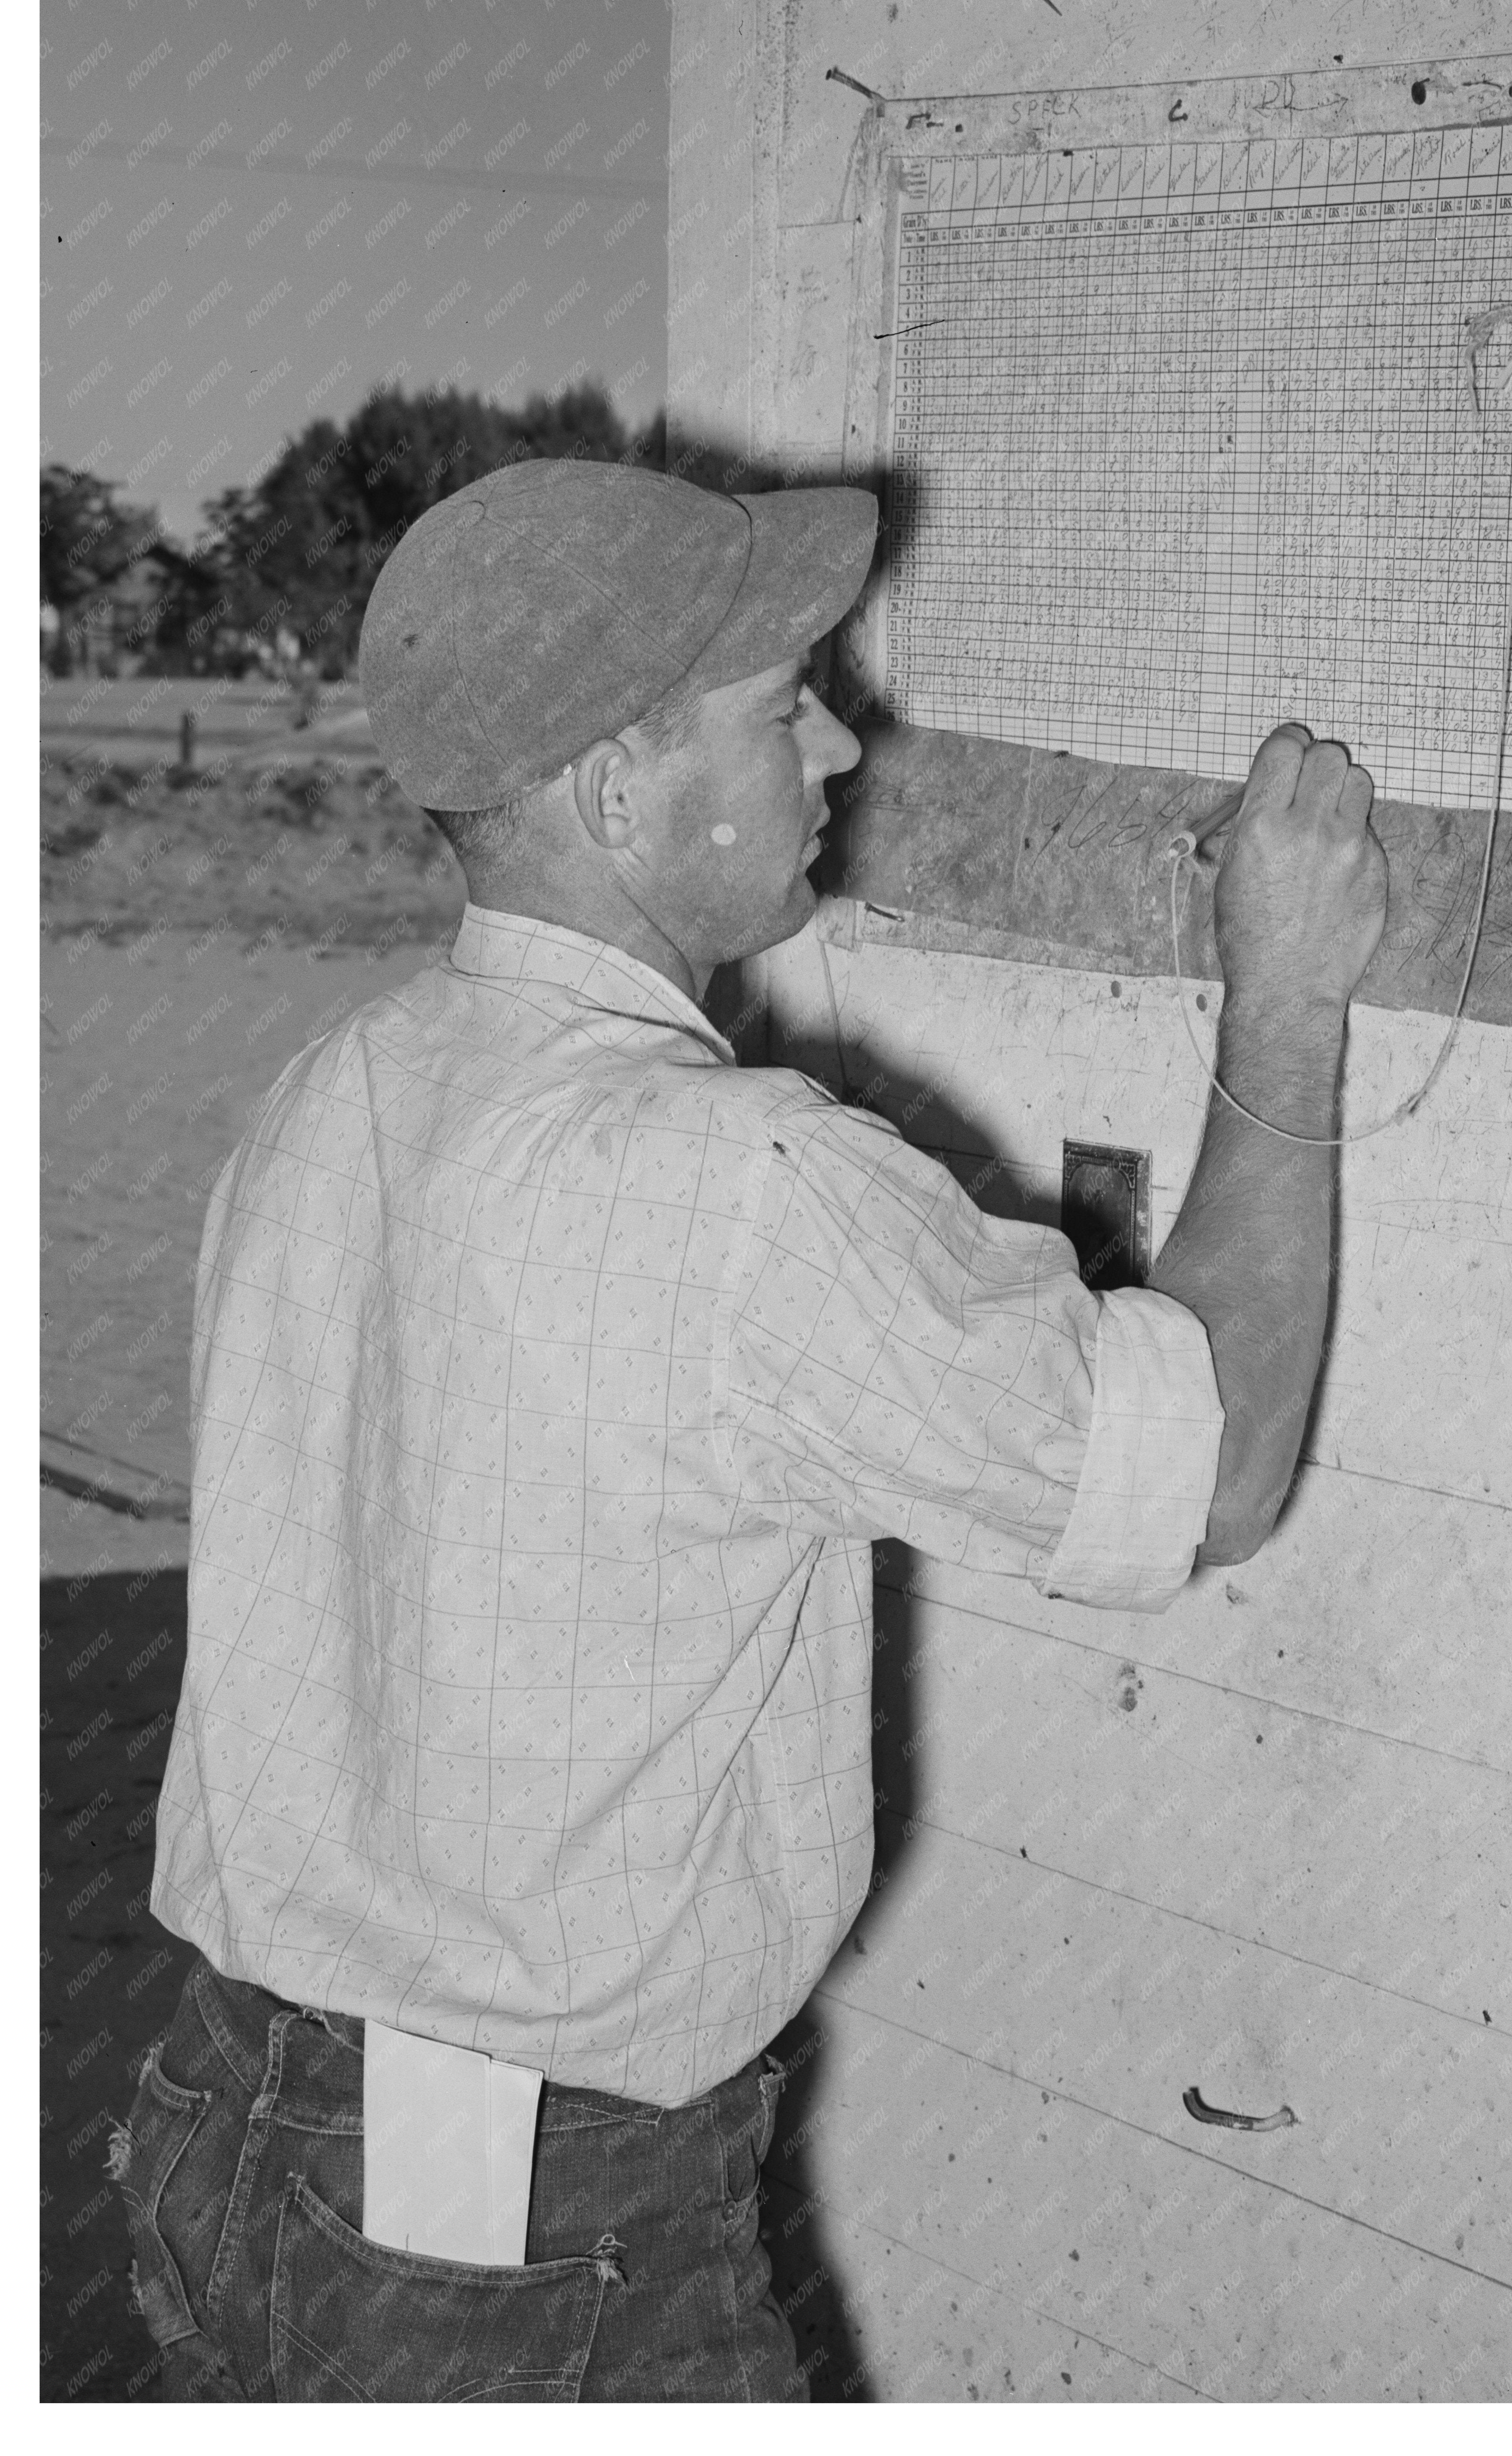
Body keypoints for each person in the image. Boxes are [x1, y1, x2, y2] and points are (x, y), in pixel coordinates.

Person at [113, 457, 1389, 2401]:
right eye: (781, 702)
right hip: (503, 2251)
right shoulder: (744, 1186)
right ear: (615, 791)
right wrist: (1286, 994)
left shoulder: (327, 1093)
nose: (836, 744)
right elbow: (1208, 1474)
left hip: (229, 2129)